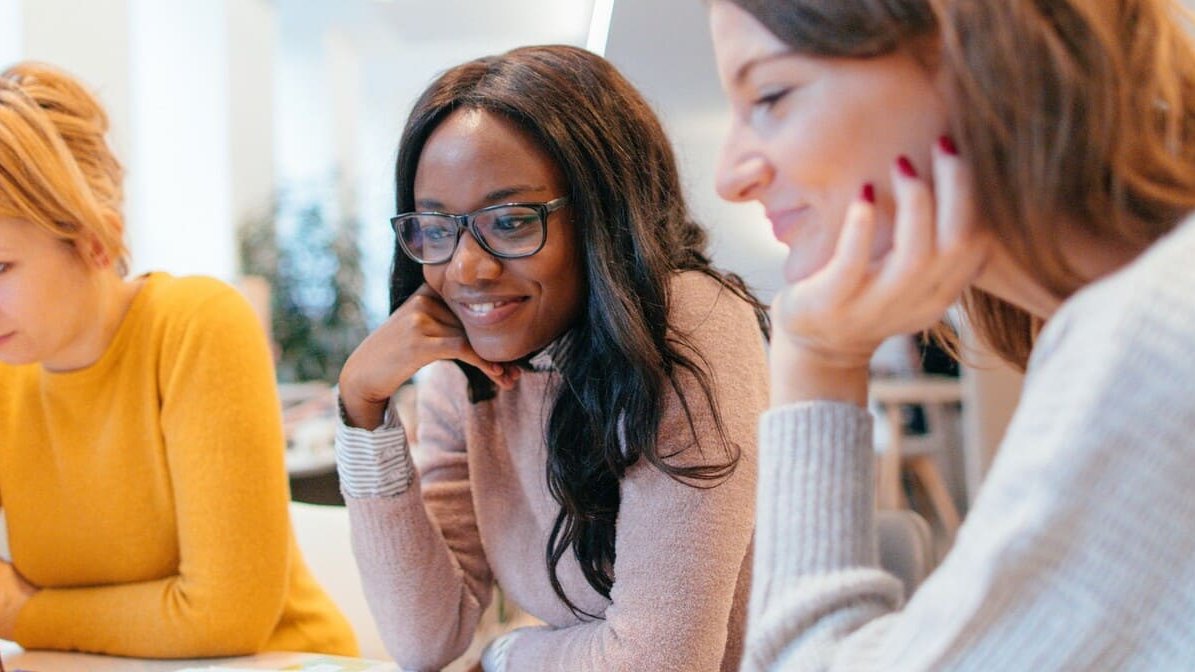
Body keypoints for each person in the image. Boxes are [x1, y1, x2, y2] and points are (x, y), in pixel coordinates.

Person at [709, 0, 1195, 669]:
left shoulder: (1149, 339)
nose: (729, 176)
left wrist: (816, 361)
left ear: (980, 50)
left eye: (770, 94)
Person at [334, 44, 770, 671]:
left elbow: (661, 661)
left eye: (510, 222)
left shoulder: (687, 323)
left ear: (604, 213)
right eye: (435, 229)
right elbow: (425, 639)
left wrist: (509, 653)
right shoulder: (468, 364)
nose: (467, 268)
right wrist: (364, 411)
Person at [0, 62, 356, 657]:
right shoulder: (10, 369)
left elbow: (224, 617)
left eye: (0, 268)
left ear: (95, 240)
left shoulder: (195, 325)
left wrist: (24, 612)